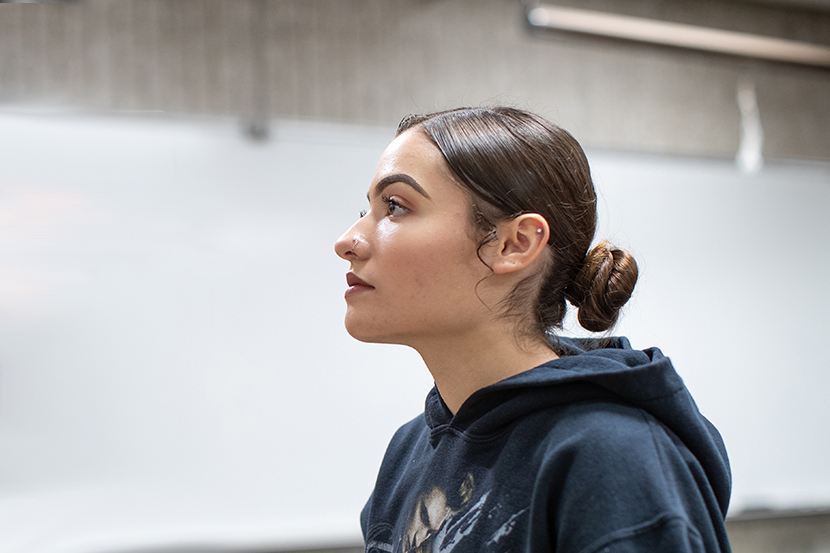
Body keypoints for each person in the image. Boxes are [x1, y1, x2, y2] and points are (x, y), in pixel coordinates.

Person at [334, 107, 731, 553]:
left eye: (395, 207)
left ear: (513, 244)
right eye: (366, 208)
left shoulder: (613, 457)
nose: (347, 240)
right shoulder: (409, 450)